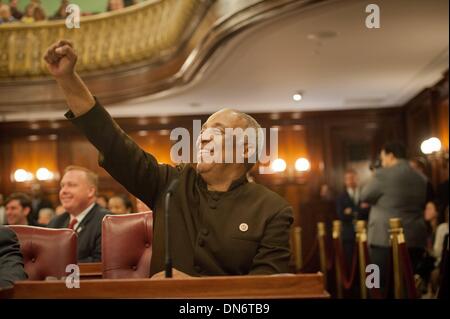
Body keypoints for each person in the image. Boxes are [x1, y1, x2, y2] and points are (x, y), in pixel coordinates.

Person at [44, 40, 293, 277]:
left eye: (216, 131)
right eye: (202, 130)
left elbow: (267, 288)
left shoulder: (272, 210)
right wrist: (68, 79)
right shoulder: (170, 184)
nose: (202, 138)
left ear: (247, 149)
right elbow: (112, 142)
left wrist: (194, 289)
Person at [361, 141, 427, 293]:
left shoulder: (382, 174)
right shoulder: (420, 177)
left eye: (382, 157)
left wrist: (375, 174)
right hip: (415, 238)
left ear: (390, 155)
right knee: (407, 286)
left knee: (376, 283)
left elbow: (364, 196)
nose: (382, 161)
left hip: (383, 238)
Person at [47, 166, 109, 262]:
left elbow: (100, 264)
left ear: (90, 191)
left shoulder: (107, 222)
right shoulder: (55, 222)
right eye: (62, 186)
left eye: (71, 185)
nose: (63, 191)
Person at [336, 169, 370, 265]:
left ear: (357, 179)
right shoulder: (341, 197)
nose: (351, 181)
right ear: (345, 181)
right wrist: (359, 209)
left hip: (365, 233)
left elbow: (368, 211)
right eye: (348, 179)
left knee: (365, 262)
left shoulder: (364, 194)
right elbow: (341, 216)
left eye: (353, 178)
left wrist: (351, 211)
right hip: (348, 235)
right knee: (350, 263)